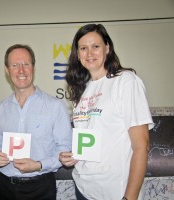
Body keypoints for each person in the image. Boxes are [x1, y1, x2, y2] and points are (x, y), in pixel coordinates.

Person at [59, 24, 153, 200]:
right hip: (84, 189)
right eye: (83, 48)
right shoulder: (82, 90)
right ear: (77, 55)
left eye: (96, 46)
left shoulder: (126, 82)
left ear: (107, 48)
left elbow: (142, 146)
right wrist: (74, 157)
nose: (90, 53)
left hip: (116, 192)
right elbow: (93, 142)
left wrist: (129, 198)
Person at [0, 44, 72, 200]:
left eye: (26, 64)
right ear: (7, 70)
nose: (21, 70)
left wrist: (39, 165)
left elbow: (64, 149)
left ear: (33, 67)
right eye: (15, 65)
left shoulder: (55, 106)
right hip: (5, 187)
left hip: (41, 188)